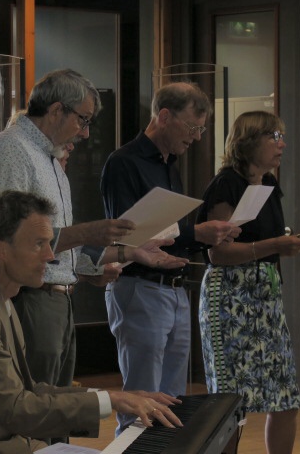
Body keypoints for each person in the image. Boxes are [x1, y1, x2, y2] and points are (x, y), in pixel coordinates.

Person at [0, 190, 183, 453]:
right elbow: (15, 409)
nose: (51, 256)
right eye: (38, 244)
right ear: (1, 249)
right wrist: (110, 400)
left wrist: (116, 397)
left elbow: (29, 390)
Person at [0, 69, 186, 389]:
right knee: (33, 405)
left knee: (56, 406)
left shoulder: (48, 158)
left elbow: (55, 246)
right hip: (28, 299)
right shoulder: (12, 150)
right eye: (83, 120)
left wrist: (124, 255)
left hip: (57, 299)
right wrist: (88, 233)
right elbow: (8, 241)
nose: (85, 133)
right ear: (57, 110)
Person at [100, 81, 241, 435]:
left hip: (175, 289)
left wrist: (206, 236)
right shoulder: (124, 162)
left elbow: (168, 235)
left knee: (172, 403)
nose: (197, 137)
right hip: (140, 287)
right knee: (141, 404)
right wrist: (197, 234)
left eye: (201, 129)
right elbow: (128, 237)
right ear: (164, 117)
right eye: (192, 127)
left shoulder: (170, 165)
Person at [196, 111, 300, 454]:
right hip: (231, 297)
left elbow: (265, 239)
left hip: (266, 296)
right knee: (229, 403)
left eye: (281, 136)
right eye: (274, 136)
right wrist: (275, 246)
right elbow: (218, 253)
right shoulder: (226, 183)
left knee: (285, 398)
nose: (281, 144)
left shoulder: (268, 183)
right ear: (249, 141)